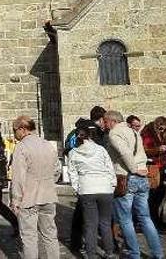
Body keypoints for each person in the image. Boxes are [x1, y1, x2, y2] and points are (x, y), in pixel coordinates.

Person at [106, 110, 163, 259]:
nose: (105, 125)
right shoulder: (133, 132)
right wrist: (141, 169)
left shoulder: (114, 133)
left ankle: (134, 254)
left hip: (127, 177)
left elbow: (125, 153)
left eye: (106, 122)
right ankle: (158, 254)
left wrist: (134, 169)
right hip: (142, 178)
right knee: (145, 217)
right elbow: (141, 153)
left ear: (112, 121)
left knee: (125, 220)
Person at [10, 115, 59, 259]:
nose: (14, 134)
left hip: (28, 198)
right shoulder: (47, 144)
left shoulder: (22, 147)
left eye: (15, 131)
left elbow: (18, 176)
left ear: (22, 129)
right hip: (48, 195)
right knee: (50, 236)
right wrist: (49, 183)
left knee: (30, 238)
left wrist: (16, 200)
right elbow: (57, 170)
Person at [68, 126, 116, 259]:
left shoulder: (73, 153)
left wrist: (78, 188)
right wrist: (112, 185)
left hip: (87, 188)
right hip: (105, 187)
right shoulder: (101, 150)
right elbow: (109, 169)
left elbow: (72, 174)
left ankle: (91, 254)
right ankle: (109, 252)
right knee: (105, 223)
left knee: (90, 224)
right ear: (91, 136)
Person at [67, 105, 107, 253]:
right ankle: (107, 245)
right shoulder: (96, 133)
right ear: (101, 118)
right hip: (95, 180)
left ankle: (76, 243)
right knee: (98, 216)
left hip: (84, 180)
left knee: (82, 214)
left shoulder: (80, 129)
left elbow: (70, 152)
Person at [141, 116, 166, 231]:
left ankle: (158, 220)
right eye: (160, 129)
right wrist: (158, 150)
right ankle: (152, 221)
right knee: (153, 196)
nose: (162, 131)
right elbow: (144, 150)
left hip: (162, 166)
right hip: (153, 167)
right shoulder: (147, 134)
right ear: (156, 126)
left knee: (161, 194)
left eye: (164, 129)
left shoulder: (161, 135)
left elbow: (163, 148)